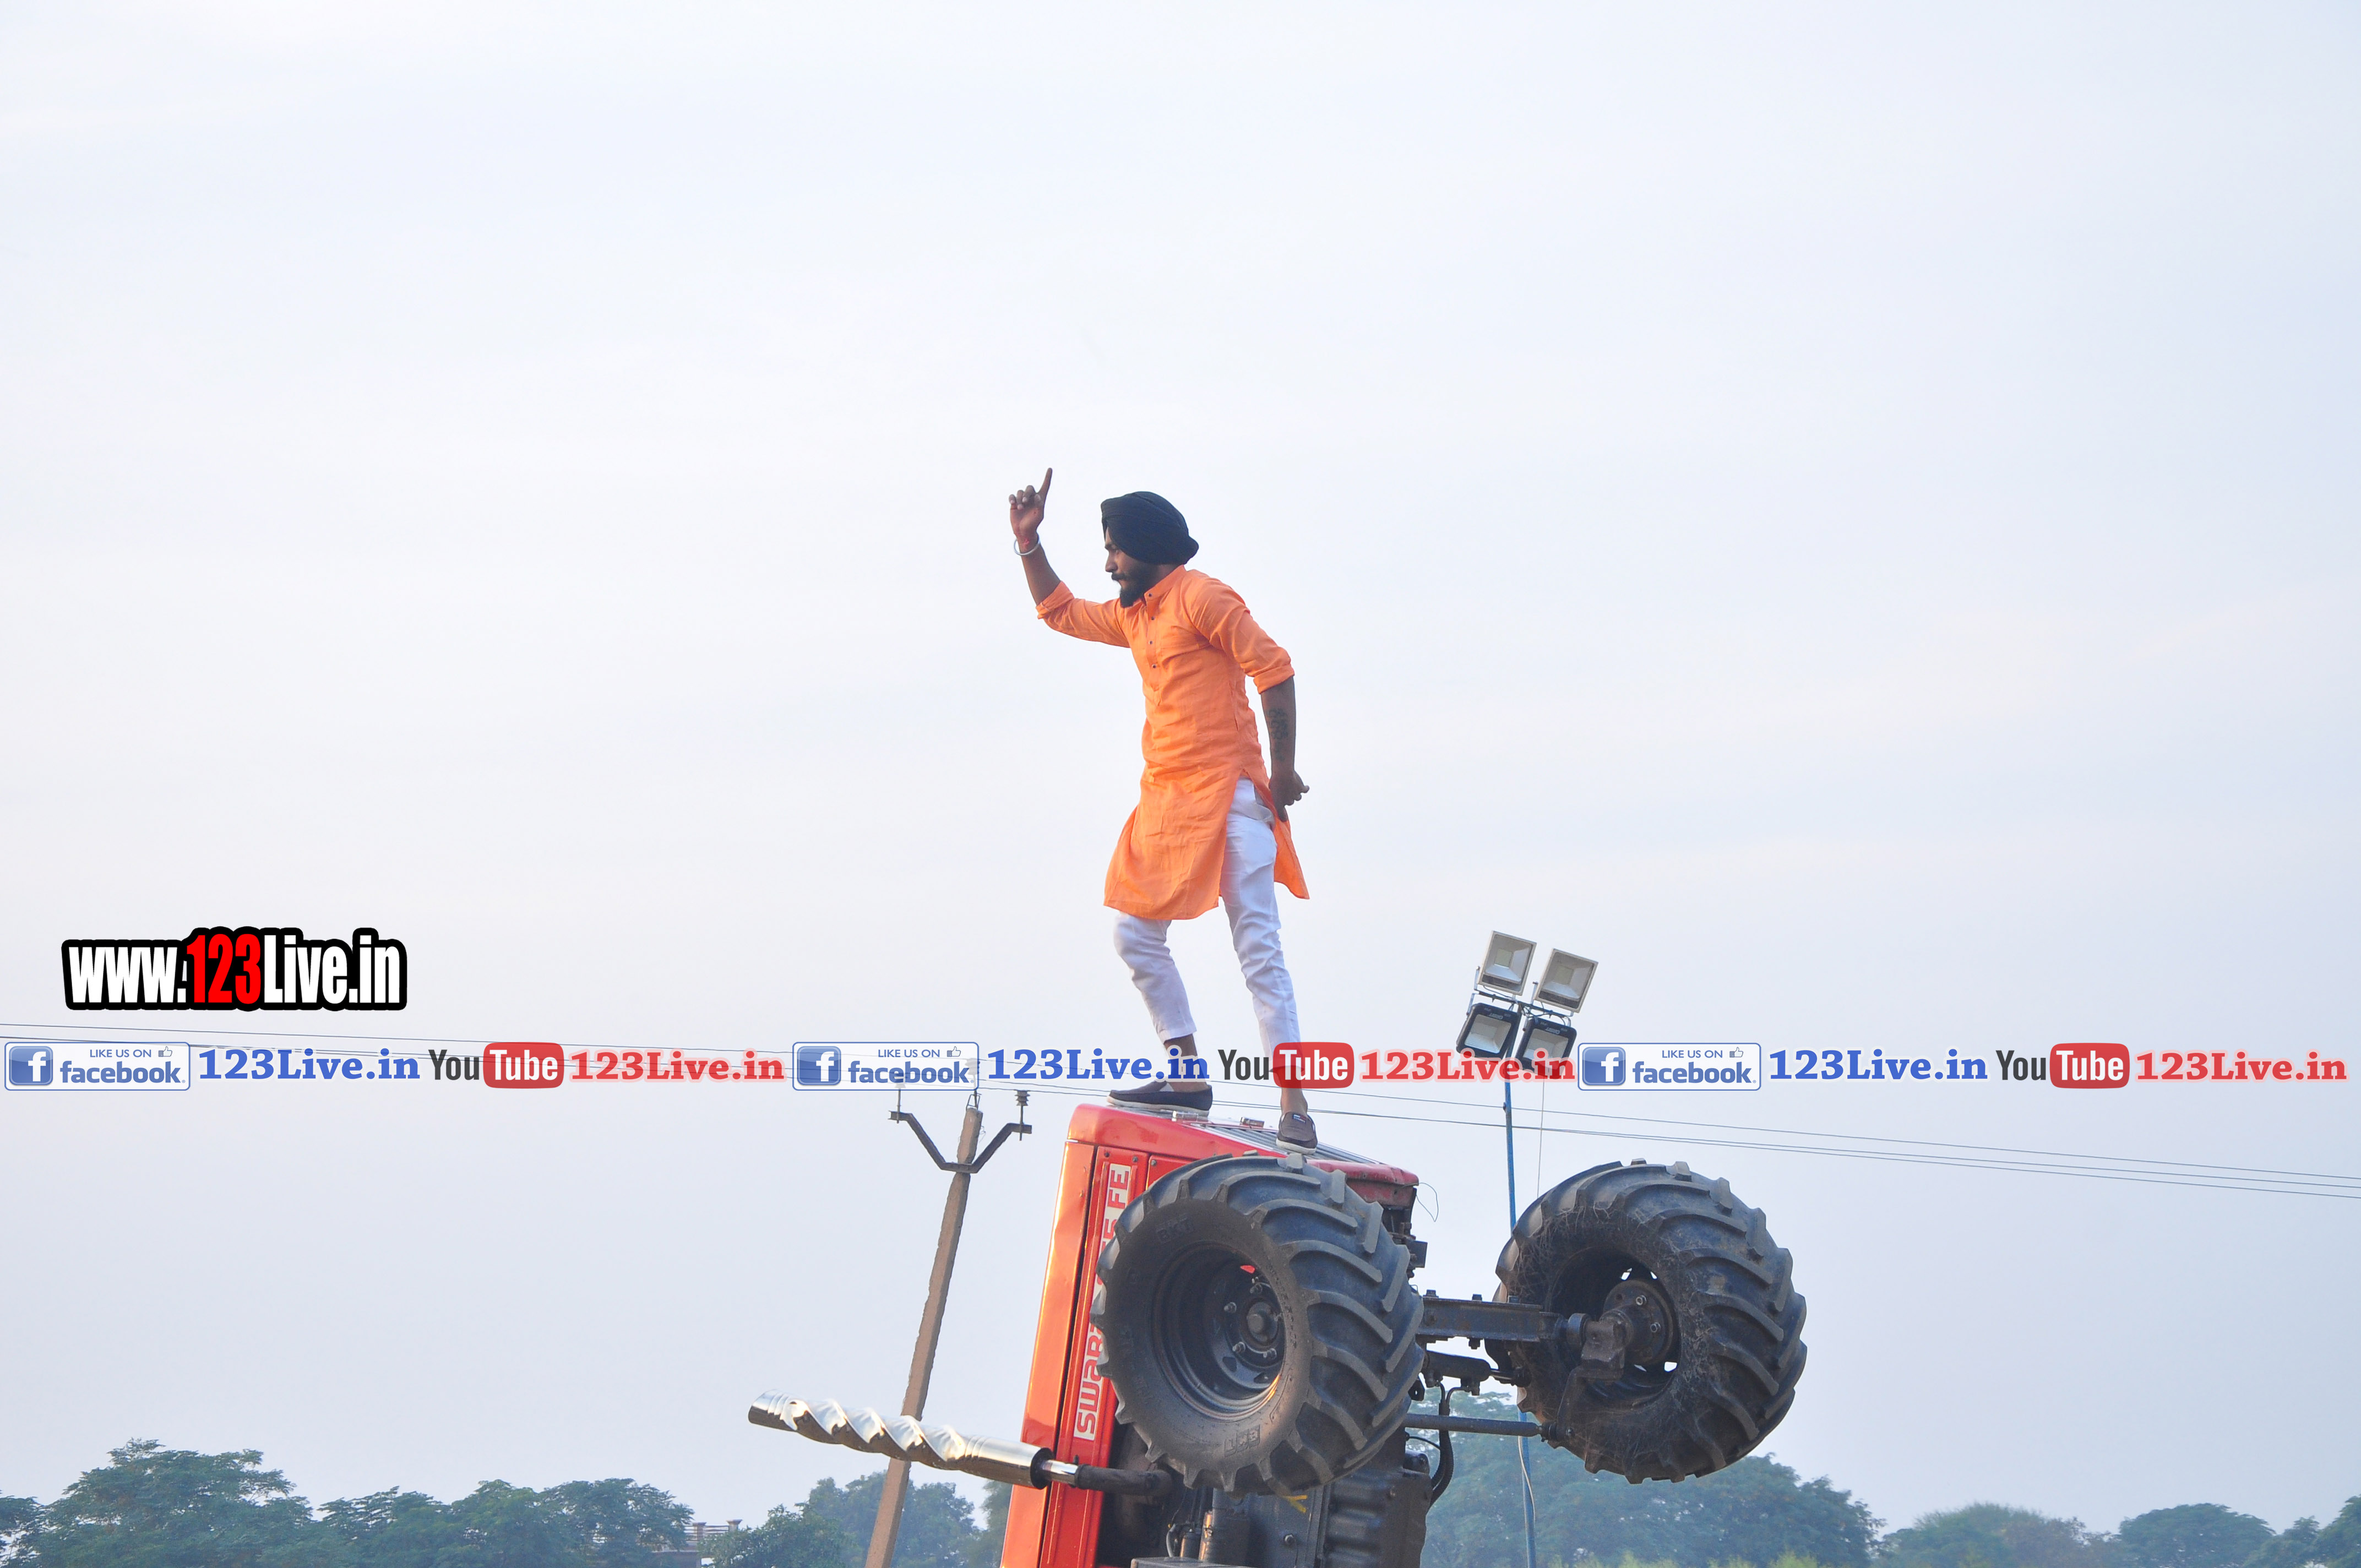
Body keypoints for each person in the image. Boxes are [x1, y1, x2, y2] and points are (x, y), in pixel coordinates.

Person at [1008, 468, 1319, 1150]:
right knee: (1133, 934)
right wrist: (1029, 543)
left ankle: (1294, 1103)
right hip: (1168, 803)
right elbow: (1060, 610)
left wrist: (1283, 768)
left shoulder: (1201, 597)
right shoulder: (1134, 614)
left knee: (1258, 949)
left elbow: (1273, 667)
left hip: (1231, 796)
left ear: (1148, 546)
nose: (1109, 564)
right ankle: (1185, 1074)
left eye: (1114, 549)